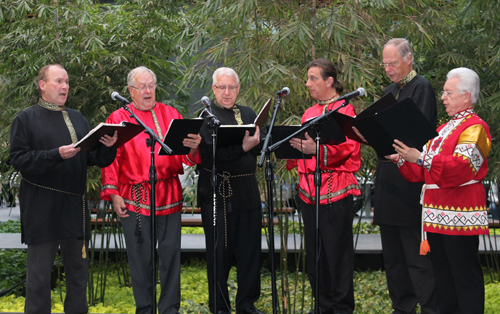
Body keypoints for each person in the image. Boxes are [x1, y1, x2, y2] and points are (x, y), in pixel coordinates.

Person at [9, 64, 118, 314]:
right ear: (42, 85)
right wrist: (55, 155)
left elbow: (94, 158)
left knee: (78, 275)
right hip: (41, 208)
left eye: (67, 82)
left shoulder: (78, 118)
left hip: (74, 209)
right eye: (58, 81)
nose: (65, 86)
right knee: (38, 278)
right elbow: (19, 159)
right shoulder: (25, 118)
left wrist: (109, 145)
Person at [387, 67, 490, 314]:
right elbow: (421, 174)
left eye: (448, 92)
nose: (442, 97)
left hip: (460, 214)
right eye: (443, 92)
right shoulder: (443, 130)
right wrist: (402, 159)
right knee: (442, 281)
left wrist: (420, 158)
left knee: (464, 279)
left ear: (466, 96)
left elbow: (462, 168)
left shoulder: (476, 128)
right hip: (435, 214)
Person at [100, 66, 201, 314]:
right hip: (134, 198)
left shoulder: (171, 114)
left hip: (168, 194)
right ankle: (144, 309)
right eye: (141, 87)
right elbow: (111, 158)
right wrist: (113, 194)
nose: (147, 91)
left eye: (151, 86)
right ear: (130, 91)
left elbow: (187, 159)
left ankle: (169, 309)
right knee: (140, 260)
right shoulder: (118, 118)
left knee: (170, 258)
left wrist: (194, 147)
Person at [370, 38, 440, 314]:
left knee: (416, 257)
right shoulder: (390, 90)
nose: (388, 69)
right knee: (394, 258)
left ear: (409, 59)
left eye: (393, 63)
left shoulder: (420, 86)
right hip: (388, 181)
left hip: (410, 181)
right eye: (384, 64)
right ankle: (402, 308)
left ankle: (430, 308)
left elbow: (419, 133)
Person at [287, 58, 361, 314]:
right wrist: (288, 148)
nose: (307, 84)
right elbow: (300, 150)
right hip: (309, 195)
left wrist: (316, 149)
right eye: (307, 79)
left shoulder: (345, 110)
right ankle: (321, 306)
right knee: (315, 256)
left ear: (329, 81)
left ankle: (341, 309)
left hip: (336, 193)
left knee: (337, 257)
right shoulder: (309, 112)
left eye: (313, 78)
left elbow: (349, 148)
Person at [197, 67, 264, 314]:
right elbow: (208, 157)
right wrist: (242, 147)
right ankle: (220, 306)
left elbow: (258, 145)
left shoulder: (247, 113)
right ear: (213, 89)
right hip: (218, 192)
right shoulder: (205, 115)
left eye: (232, 87)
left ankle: (246, 303)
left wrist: (256, 144)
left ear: (238, 88)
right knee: (220, 253)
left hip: (247, 189)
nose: (227, 93)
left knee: (250, 251)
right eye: (222, 87)